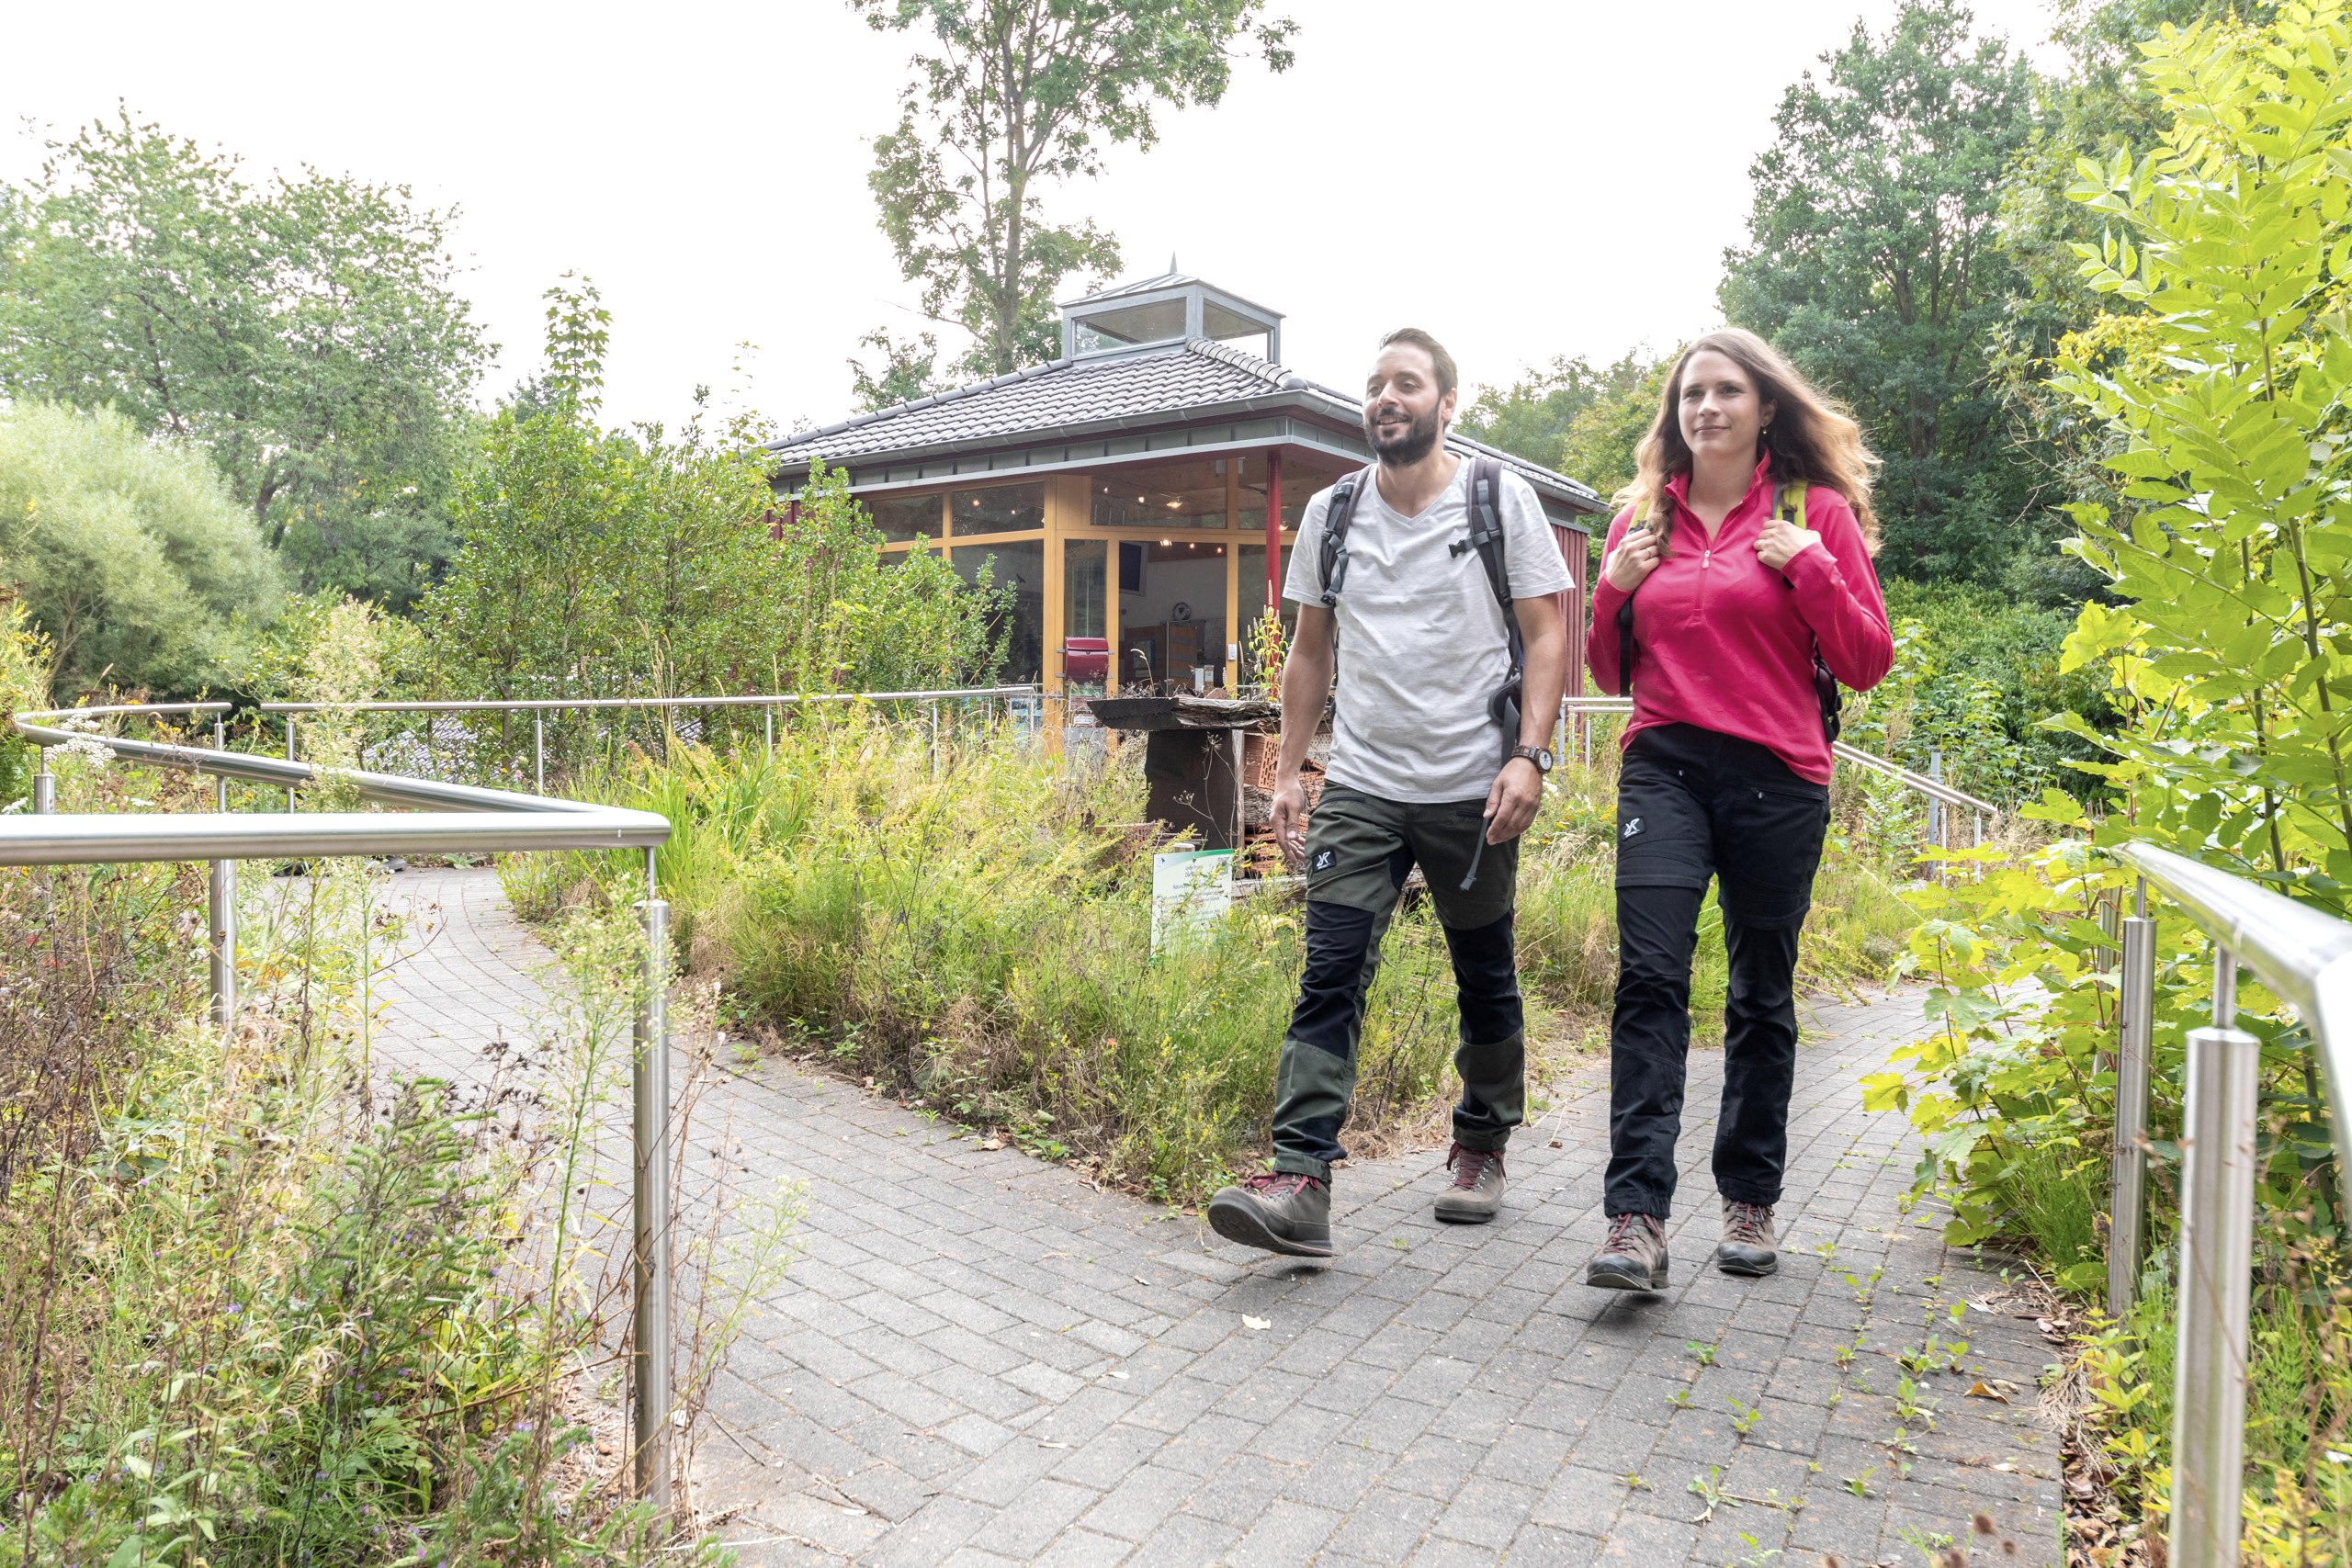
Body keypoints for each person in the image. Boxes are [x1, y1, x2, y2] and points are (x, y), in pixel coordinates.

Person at [1205, 327, 1571, 1259]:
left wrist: (1530, 756)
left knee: (1483, 971)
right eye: (1375, 384)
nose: (1386, 397)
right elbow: (1309, 651)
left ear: (1447, 404)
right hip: (1363, 784)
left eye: (1407, 383)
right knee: (1330, 970)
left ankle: (1481, 1143)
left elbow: (1545, 635)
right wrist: (1289, 773)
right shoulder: (1332, 513)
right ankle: (1300, 1179)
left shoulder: (1498, 499)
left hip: (1472, 791)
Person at [1580, 328, 1892, 1291]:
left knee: (1760, 992)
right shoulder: (1639, 522)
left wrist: (1813, 566)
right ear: (1673, 415)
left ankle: (1749, 1198)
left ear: (1764, 408)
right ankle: (1635, 1218)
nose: (1706, 407)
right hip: (1665, 767)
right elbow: (1608, 671)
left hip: (1777, 777)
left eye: (1725, 391)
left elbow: (1866, 661)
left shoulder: (1813, 514)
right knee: (1650, 979)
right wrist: (1611, 590)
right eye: (1690, 394)